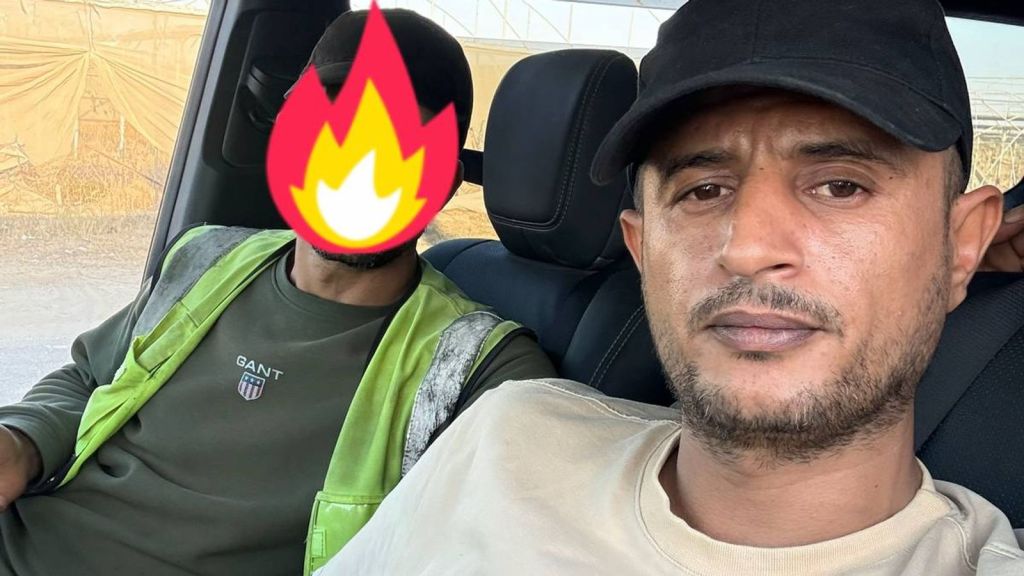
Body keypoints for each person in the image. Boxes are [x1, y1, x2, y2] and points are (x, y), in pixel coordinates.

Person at [322, 1, 1024, 574]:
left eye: (841, 185)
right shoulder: (505, 437)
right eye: (702, 190)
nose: (747, 248)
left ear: (961, 245)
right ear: (642, 249)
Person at [0, 9, 555, 576]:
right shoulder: (206, 257)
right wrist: (20, 443)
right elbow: (91, 377)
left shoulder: (482, 371)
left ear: (443, 182)